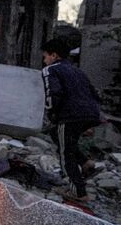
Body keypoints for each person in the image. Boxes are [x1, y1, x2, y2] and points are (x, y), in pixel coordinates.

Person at [41, 38, 101, 202]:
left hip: (70, 115)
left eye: (45, 56)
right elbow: (94, 94)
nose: (44, 60)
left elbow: (53, 94)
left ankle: (78, 191)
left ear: (53, 55)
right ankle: (86, 163)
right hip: (90, 113)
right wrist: (90, 121)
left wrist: (52, 115)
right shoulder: (77, 71)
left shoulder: (50, 70)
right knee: (57, 135)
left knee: (65, 152)